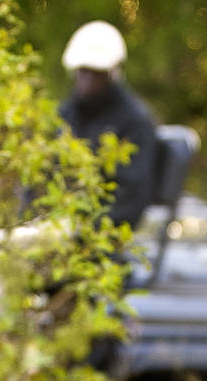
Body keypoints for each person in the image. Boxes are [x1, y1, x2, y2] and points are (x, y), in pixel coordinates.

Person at [57, 21, 159, 231]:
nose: (88, 79)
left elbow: (131, 197)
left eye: (96, 72)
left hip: (100, 240)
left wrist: (85, 231)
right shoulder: (65, 115)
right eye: (83, 71)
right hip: (57, 228)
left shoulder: (135, 121)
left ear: (113, 72)